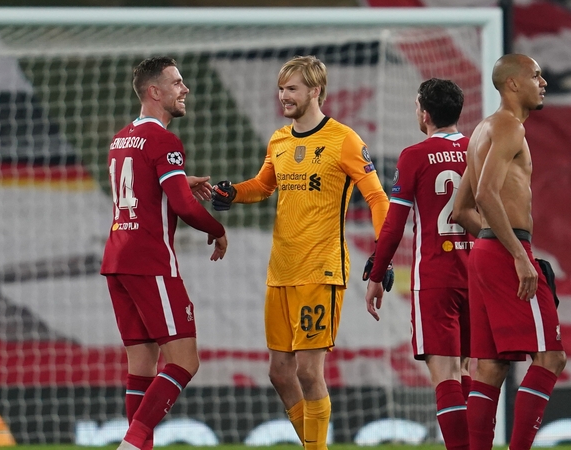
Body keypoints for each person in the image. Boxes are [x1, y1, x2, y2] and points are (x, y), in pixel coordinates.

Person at [211, 55, 390, 449]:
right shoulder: (279, 139)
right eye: (281, 88)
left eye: (292, 88)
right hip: (281, 270)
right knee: (279, 372)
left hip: (320, 269)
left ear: (315, 91)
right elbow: (263, 184)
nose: (283, 96)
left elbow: (377, 197)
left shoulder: (344, 140)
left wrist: (385, 251)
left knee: (309, 371)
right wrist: (233, 192)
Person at [100, 56, 228, 450]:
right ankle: (134, 443)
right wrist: (218, 230)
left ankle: (139, 444)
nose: (184, 89)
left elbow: (141, 188)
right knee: (185, 361)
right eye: (176, 83)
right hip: (150, 260)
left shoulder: (122, 138)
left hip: (117, 258)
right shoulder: (164, 140)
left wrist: (178, 180)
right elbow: (186, 208)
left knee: (142, 365)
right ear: (154, 92)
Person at [452, 53, 566, 450]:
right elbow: (483, 194)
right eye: (536, 75)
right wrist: (517, 253)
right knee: (551, 358)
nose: (543, 82)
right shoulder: (508, 128)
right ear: (513, 84)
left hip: (486, 250)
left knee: (491, 366)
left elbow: (459, 209)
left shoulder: (482, 131)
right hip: (505, 251)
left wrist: (489, 242)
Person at [364, 78, 472, 449]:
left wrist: (377, 273)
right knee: (467, 370)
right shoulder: (480, 149)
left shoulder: (414, 155)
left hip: (436, 278)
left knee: (445, 376)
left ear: (425, 114)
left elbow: (394, 225)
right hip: (478, 274)